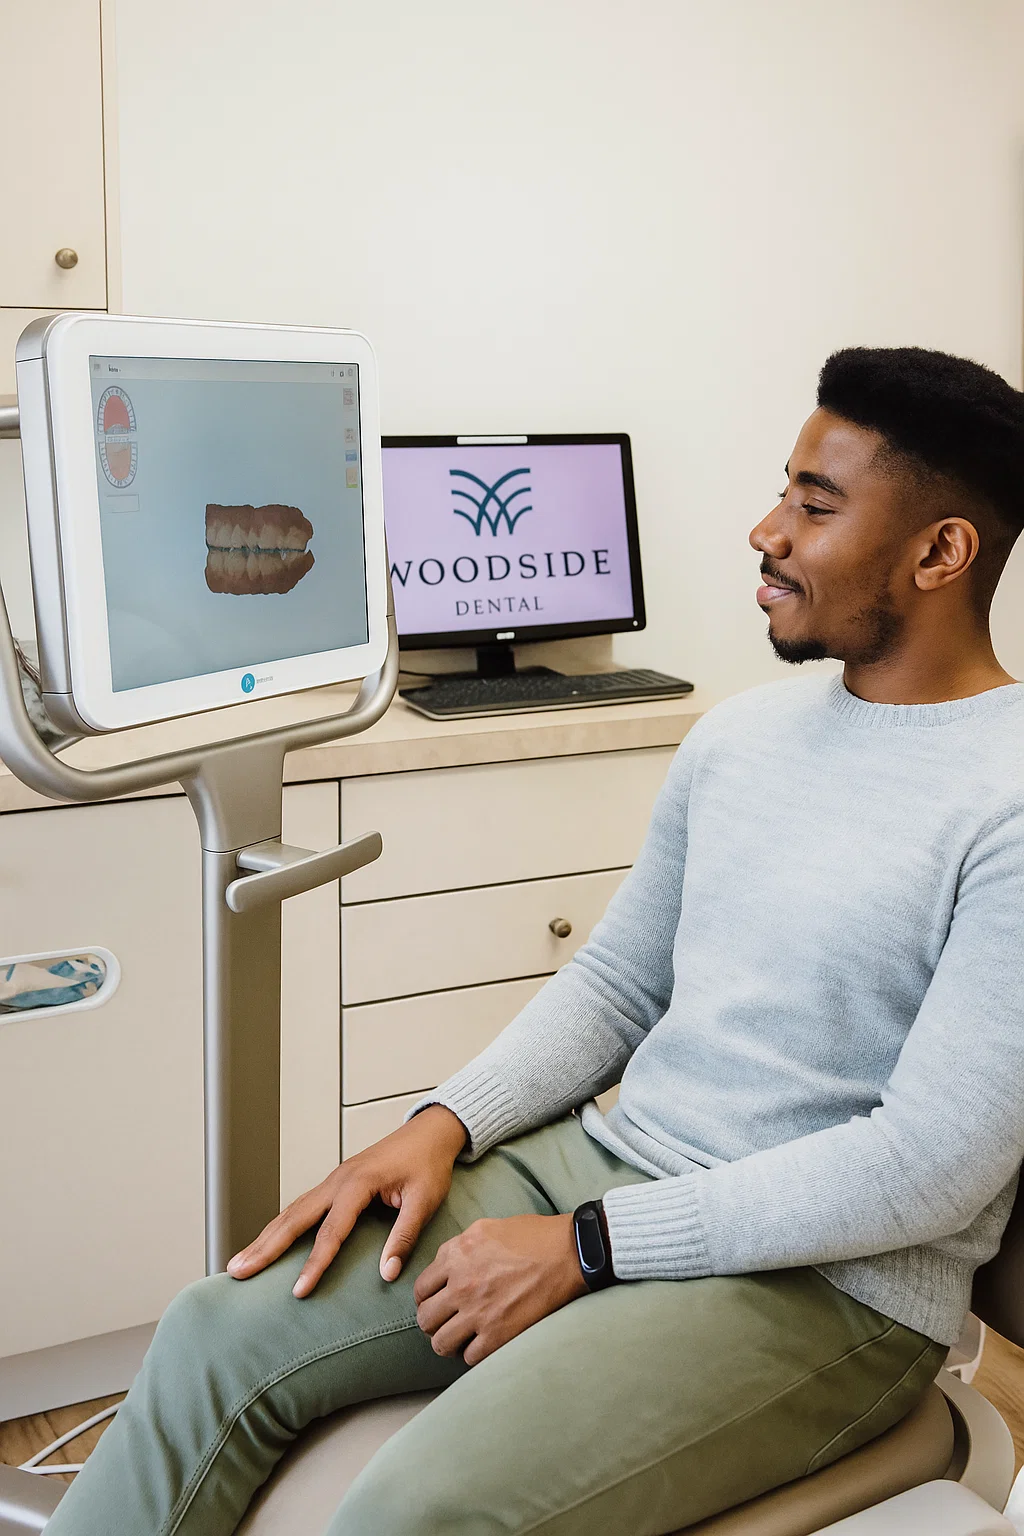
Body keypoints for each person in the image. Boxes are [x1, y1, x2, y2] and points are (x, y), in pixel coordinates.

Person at [48, 347, 1024, 1536]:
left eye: (815, 506)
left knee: (414, 1507)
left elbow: (929, 1167)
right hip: (611, 1166)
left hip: (830, 1286)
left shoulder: (1006, 800)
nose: (766, 530)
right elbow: (617, 983)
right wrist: (439, 1125)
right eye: (783, 489)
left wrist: (590, 1248)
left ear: (939, 553)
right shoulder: (741, 739)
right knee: (213, 1333)